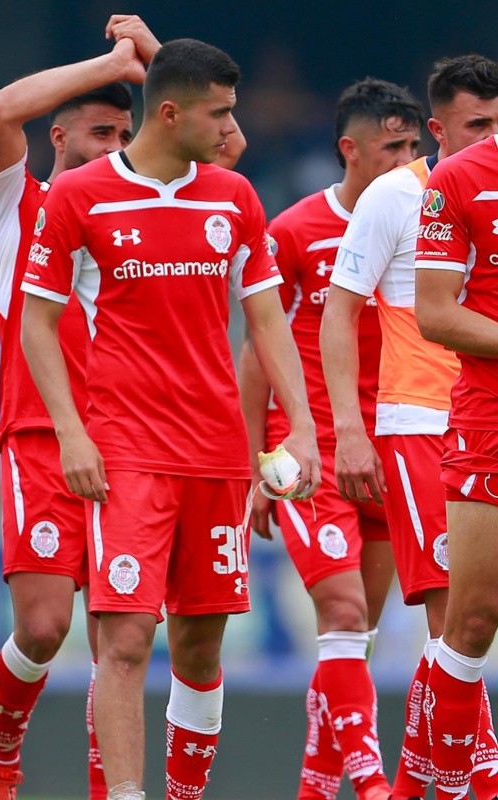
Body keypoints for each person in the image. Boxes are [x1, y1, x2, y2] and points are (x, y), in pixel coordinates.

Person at [21, 38, 321, 800]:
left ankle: (185, 794)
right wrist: (72, 432)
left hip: (217, 450)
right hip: (124, 447)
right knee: (125, 639)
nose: (230, 127)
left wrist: (304, 426)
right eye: (219, 112)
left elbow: (268, 322)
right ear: (171, 112)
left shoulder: (234, 197)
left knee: (198, 644)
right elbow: (37, 323)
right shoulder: (81, 196)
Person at [0, 15, 160, 800]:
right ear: (58, 137)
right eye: (98, 134)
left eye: (124, 135)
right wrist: (115, 62)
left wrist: (161, 60)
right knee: (43, 626)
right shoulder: (20, 200)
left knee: (120, 639)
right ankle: (1, 754)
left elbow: (222, 144)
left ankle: (105, 786)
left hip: (130, 441)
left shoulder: (142, 207)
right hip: (42, 436)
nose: (113, 149)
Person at [239, 77, 424, 800]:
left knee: (354, 636)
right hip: (303, 449)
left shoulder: (422, 224)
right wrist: (256, 463)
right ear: (350, 150)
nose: (409, 162)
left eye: (416, 146)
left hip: (387, 448)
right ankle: (375, 785)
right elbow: (258, 352)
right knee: (343, 613)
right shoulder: (292, 232)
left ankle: (315, 789)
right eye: (393, 148)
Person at [319, 54, 498, 800]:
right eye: (477, 123)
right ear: (440, 127)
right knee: (452, 618)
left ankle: (409, 782)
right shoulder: (399, 195)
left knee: (454, 625)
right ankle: (463, 784)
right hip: (424, 422)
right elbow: (341, 314)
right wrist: (348, 431)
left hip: (455, 419)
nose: (489, 135)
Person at [414, 80, 498, 800]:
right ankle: (445, 788)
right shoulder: (461, 177)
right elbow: (435, 314)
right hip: (489, 420)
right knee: (471, 620)